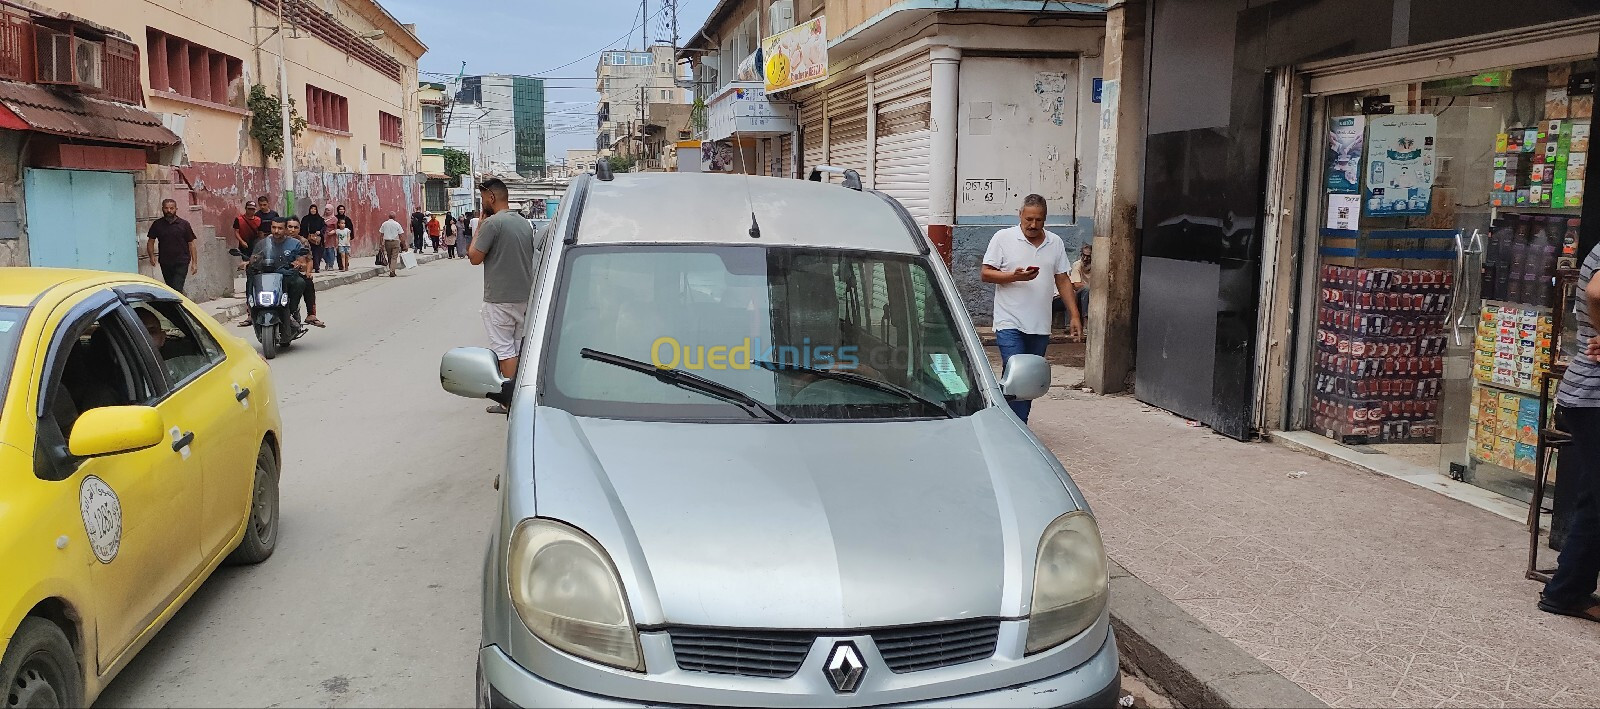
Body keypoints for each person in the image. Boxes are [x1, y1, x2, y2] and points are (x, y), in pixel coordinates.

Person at [980, 194, 1082, 423]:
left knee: (1030, 379)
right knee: (1019, 375)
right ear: (1020, 215)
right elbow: (986, 273)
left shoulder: (1054, 242)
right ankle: (1017, 427)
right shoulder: (1003, 238)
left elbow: (1063, 280)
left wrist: (1074, 315)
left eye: (1039, 220)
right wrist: (1012, 276)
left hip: (1039, 324)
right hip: (1009, 322)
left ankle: (1005, 418)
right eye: (1029, 219)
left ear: (1045, 219)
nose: (1033, 225)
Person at [1542, 244, 1600, 623]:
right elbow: (1596, 292)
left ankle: (1568, 588)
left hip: (1585, 391)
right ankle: (1566, 590)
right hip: (1594, 392)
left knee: (1594, 497)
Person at [469, 178, 539, 387]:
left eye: (483, 198)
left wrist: (479, 228)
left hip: (500, 299)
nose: (482, 203)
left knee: (505, 351)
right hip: (524, 297)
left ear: (491, 197)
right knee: (518, 349)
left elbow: (474, 257)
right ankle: (523, 392)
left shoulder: (492, 223)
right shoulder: (524, 223)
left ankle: (509, 402)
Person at [248, 218, 308, 325]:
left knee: (300, 282)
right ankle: (251, 310)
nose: (276, 231)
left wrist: (298, 264)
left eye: (280, 228)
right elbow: (254, 258)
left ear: (286, 229)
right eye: (274, 227)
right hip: (267, 276)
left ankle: (292, 310)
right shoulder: (263, 243)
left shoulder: (295, 243)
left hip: (286, 275)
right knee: (251, 278)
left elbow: (303, 264)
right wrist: (250, 262)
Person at [146, 198, 197, 294]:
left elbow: (191, 244)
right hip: (165, 261)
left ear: (176, 209)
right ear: (162, 209)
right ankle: (182, 300)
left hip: (181, 261)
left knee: (176, 288)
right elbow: (150, 241)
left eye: (171, 208)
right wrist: (151, 256)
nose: (169, 211)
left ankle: (183, 305)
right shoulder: (157, 224)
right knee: (170, 288)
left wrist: (194, 263)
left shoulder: (184, 224)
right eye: (166, 208)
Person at [284, 217, 325, 327]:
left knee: (308, 282)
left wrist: (308, 272)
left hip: (295, 273)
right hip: (278, 273)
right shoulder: (277, 240)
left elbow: (309, 259)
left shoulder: (303, 242)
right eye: (290, 227)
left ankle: (311, 315)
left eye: (295, 227)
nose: (292, 230)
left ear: (299, 229)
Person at [302, 204, 328, 274]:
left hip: (318, 239)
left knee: (317, 253)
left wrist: (320, 231)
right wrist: (304, 236)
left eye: (314, 209)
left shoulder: (320, 219)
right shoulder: (306, 218)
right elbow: (302, 228)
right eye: (312, 209)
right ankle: (310, 266)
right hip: (308, 238)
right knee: (309, 253)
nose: (313, 210)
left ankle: (316, 267)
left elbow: (324, 227)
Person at [1069, 243, 1092, 321]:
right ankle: (1085, 319)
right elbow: (1076, 285)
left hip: (1091, 291)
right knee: (1086, 289)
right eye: (1083, 255)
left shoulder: (1097, 265)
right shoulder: (1077, 265)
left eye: (1088, 256)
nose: (1085, 259)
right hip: (1080, 292)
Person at [379, 212, 405, 277]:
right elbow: (401, 235)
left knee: (389, 256)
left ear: (389, 217)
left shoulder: (384, 224)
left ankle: (391, 269)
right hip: (395, 242)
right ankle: (392, 271)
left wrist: (381, 244)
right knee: (394, 257)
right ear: (394, 217)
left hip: (387, 242)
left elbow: (381, 235)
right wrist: (404, 245)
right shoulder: (397, 224)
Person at [321, 203, 338, 271]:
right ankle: (327, 262)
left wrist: (333, 232)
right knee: (323, 251)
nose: (326, 211)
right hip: (323, 236)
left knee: (330, 251)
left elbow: (337, 228)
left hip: (330, 237)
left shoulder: (334, 219)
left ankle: (331, 265)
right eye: (326, 210)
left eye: (328, 210)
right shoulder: (322, 218)